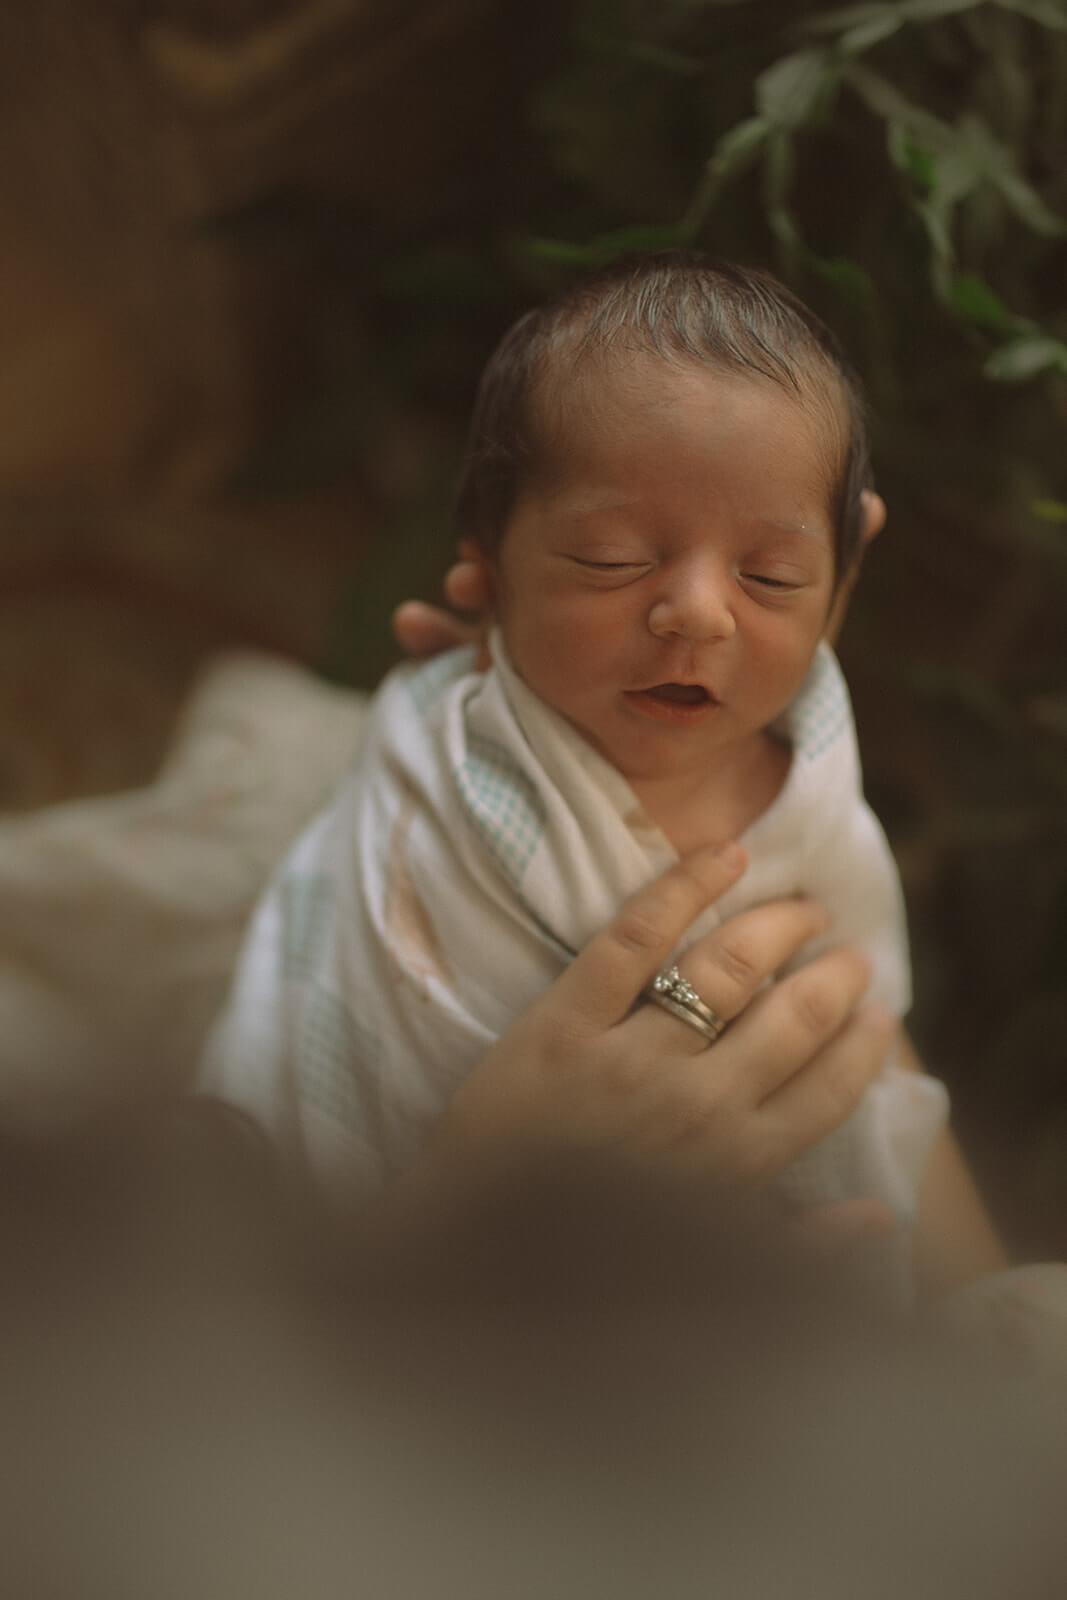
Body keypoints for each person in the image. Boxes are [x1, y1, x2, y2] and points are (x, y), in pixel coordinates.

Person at [202, 254, 1005, 1300]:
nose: (697, 614)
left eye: (768, 576)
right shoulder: (444, 744)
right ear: (483, 565)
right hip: (418, 1290)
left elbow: (870, 1065)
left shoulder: (815, 806)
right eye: (610, 558)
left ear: (844, 575)